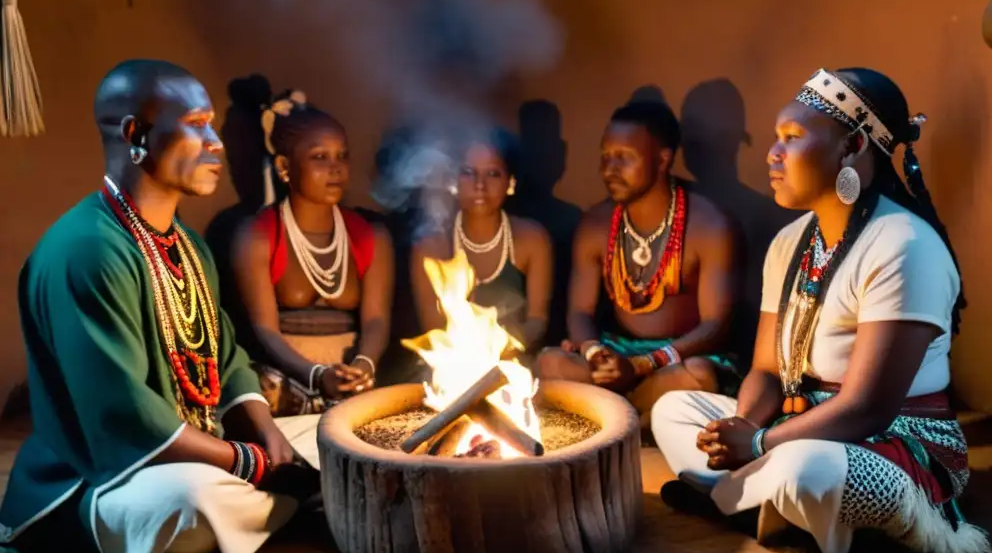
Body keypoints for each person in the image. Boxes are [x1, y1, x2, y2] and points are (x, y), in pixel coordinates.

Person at [0, 60, 322, 553]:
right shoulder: (88, 249)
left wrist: (266, 438)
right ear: (136, 134)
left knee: (327, 434)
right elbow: (122, 416)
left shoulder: (188, 246)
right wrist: (249, 463)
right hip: (102, 480)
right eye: (197, 123)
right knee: (191, 503)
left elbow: (227, 357)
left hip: (203, 445)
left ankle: (287, 500)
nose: (216, 143)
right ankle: (297, 505)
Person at [651, 67, 991, 553]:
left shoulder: (904, 245)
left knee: (805, 468)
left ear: (851, 148)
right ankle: (768, 505)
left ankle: (738, 499)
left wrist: (759, 442)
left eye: (791, 137)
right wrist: (741, 427)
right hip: (793, 423)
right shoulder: (791, 242)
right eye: (775, 138)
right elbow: (767, 369)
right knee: (674, 411)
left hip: (890, 444)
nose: (772, 153)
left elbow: (867, 408)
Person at [536, 100, 741, 424]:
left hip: (678, 358)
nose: (609, 169)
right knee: (550, 363)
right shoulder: (596, 224)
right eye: (605, 156)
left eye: (624, 158)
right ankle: (635, 416)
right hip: (616, 354)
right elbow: (580, 311)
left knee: (699, 376)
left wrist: (643, 365)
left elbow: (716, 325)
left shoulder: (710, 224)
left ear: (662, 159)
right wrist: (593, 352)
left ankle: (614, 417)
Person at [231, 91, 394, 416]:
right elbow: (265, 330)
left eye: (342, 156)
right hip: (285, 384)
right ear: (284, 166)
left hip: (350, 383)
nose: (335, 168)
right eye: (320, 157)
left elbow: (376, 319)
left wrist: (364, 364)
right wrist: (316, 375)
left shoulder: (369, 235)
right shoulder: (259, 235)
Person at [410, 127, 553, 356]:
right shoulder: (431, 246)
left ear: (511, 183)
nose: (479, 185)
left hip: (514, 363)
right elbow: (433, 327)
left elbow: (537, 320)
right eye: (468, 172)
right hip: (450, 365)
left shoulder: (532, 239)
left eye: (493, 174)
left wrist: (503, 348)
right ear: (454, 181)